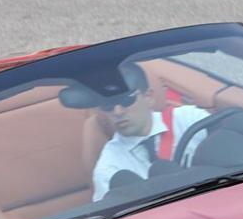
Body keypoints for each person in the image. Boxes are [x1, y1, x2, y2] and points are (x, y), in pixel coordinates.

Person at [90, 62, 210, 202]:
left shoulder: (190, 119)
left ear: (149, 97)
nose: (118, 112)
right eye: (108, 105)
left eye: (126, 99)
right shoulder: (109, 168)